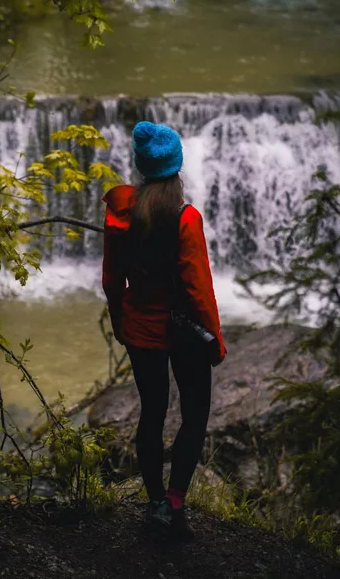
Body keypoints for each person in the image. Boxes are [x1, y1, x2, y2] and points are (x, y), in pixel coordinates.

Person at [102, 120, 226, 541]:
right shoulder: (185, 218)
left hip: (140, 329)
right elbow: (198, 286)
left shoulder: (122, 214)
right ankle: (175, 501)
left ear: (141, 168)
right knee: (194, 415)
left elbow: (111, 277)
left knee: (152, 414)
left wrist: (120, 318)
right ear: (176, 168)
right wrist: (215, 337)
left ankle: (155, 502)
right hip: (184, 332)